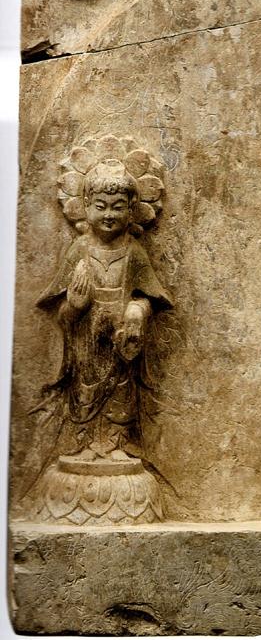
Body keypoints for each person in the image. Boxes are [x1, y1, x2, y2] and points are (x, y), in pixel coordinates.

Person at [36, 159, 172, 464]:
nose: (109, 214)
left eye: (118, 207)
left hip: (121, 340)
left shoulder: (134, 252)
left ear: (132, 209)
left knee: (121, 390)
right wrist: (74, 306)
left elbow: (152, 298)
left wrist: (137, 311)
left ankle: (117, 442)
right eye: (101, 206)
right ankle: (85, 441)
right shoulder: (79, 250)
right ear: (86, 206)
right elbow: (61, 314)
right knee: (85, 389)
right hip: (86, 341)